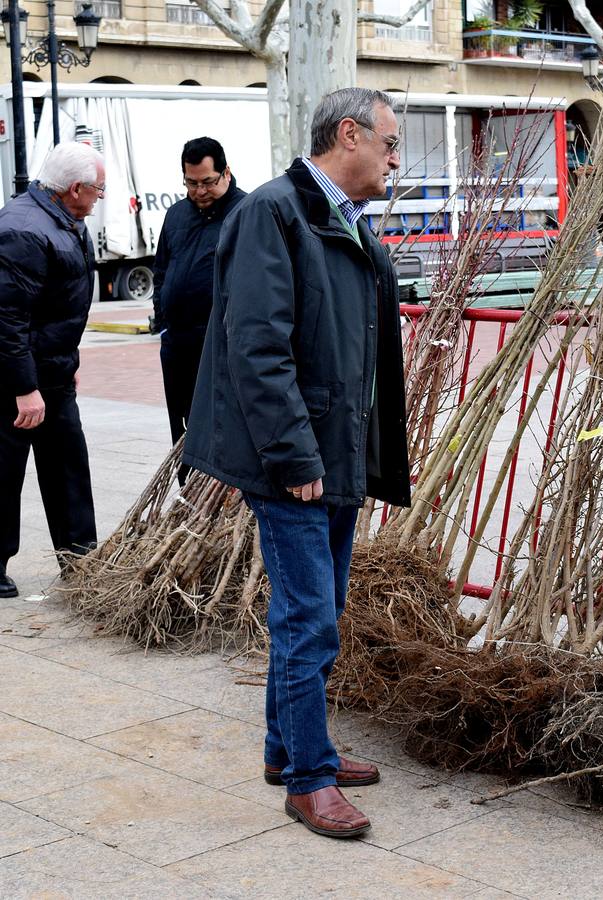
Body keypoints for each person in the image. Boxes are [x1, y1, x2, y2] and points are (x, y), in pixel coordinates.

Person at [182, 88, 411, 838]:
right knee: (309, 617)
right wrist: (291, 454)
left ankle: (291, 749)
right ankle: (308, 781)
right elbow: (256, 345)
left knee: (318, 612)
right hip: (297, 461)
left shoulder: (334, 219)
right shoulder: (273, 213)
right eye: (389, 142)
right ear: (348, 135)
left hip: (333, 453)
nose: (394, 157)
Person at [0, 142, 104, 599]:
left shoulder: (65, 219)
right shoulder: (23, 229)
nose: (100, 198)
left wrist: (64, 363)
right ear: (75, 188)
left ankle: (80, 560)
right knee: (4, 476)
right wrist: (24, 387)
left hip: (54, 374)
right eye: (98, 190)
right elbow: (7, 318)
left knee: (68, 469)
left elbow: (55, 308)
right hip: (17, 382)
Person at [152, 137, 246, 458]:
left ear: (226, 173)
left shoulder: (246, 212)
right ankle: (187, 498)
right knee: (182, 433)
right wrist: (162, 323)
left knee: (220, 432)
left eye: (208, 182)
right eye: (191, 183)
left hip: (220, 346)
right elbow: (161, 270)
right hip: (177, 345)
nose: (200, 191)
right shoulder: (177, 215)